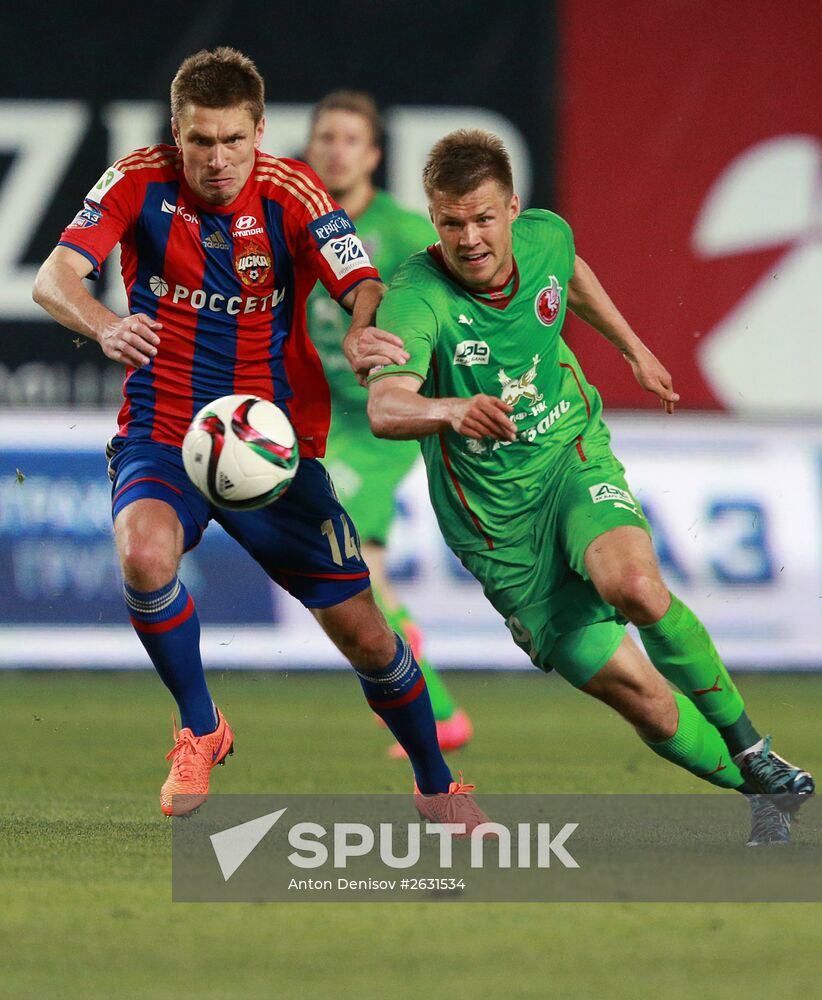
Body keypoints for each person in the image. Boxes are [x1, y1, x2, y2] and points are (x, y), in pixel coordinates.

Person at [31, 47, 475, 822]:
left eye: (234, 140)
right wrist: (104, 325)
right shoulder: (136, 179)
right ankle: (199, 727)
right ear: (176, 134)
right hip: (165, 431)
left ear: (260, 131)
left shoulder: (292, 190)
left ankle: (438, 788)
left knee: (369, 638)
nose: (218, 160)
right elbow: (53, 278)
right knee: (143, 555)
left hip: (272, 448)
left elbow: (361, 280)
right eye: (201, 141)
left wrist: (363, 328)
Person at [366, 128, 815, 846]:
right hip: (499, 535)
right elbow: (387, 406)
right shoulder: (417, 297)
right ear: (433, 219)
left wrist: (632, 347)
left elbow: (569, 275)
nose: (469, 239)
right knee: (648, 704)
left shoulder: (546, 237)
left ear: (513, 209)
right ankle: (762, 790)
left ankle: (753, 747)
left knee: (634, 586)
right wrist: (449, 410)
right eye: (451, 223)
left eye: (483, 218)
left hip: (569, 459)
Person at [304, 90, 472, 756]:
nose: (336, 150)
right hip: (318, 418)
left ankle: (414, 678)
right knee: (343, 563)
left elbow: (458, 297)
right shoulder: (294, 221)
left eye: (350, 139)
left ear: (372, 156)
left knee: (348, 553)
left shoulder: (400, 232)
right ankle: (429, 696)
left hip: (381, 418)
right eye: (326, 137)